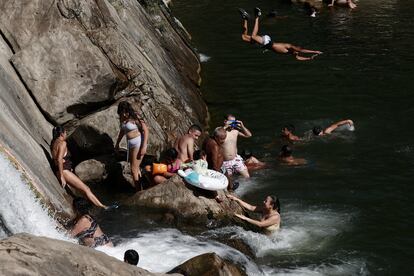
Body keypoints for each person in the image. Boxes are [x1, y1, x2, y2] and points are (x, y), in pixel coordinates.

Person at [51, 126, 108, 209]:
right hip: (64, 171)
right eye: (66, 133)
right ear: (62, 134)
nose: (66, 134)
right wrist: (61, 176)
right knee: (86, 189)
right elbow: (59, 159)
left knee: (82, 190)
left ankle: (91, 206)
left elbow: (56, 159)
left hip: (62, 170)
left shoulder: (54, 142)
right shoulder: (62, 143)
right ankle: (103, 207)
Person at [239, 7, 322, 61]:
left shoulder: (292, 53)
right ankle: (257, 16)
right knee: (253, 36)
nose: (297, 53)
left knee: (243, 37)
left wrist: (309, 58)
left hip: (266, 44)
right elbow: (301, 50)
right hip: (267, 42)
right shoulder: (290, 47)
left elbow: (298, 58)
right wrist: (314, 51)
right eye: (297, 51)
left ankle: (245, 18)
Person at [115, 101, 149, 190]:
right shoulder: (122, 119)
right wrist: (117, 143)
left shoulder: (135, 117)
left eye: (125, 112)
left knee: (133, 169)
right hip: (130, 144)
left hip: (138, 142)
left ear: (128, 110)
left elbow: (145, 130)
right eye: (122, 113)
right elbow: (122, 131)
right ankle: (141, 189)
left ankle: (138, 192)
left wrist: (144, 146)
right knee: (136, 168)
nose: (124, 114)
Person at [203, 127, 229, 201]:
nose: (223, 141)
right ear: (216, 137)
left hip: (209, 164)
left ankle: (230, 187)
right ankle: (229, 189)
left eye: (224, 138)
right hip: (215, 168)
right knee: (226, 172)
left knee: (226, 171)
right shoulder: (214, 146)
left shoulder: (208, 139)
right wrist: (217, 173)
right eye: (222, 139)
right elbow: (214, 162)